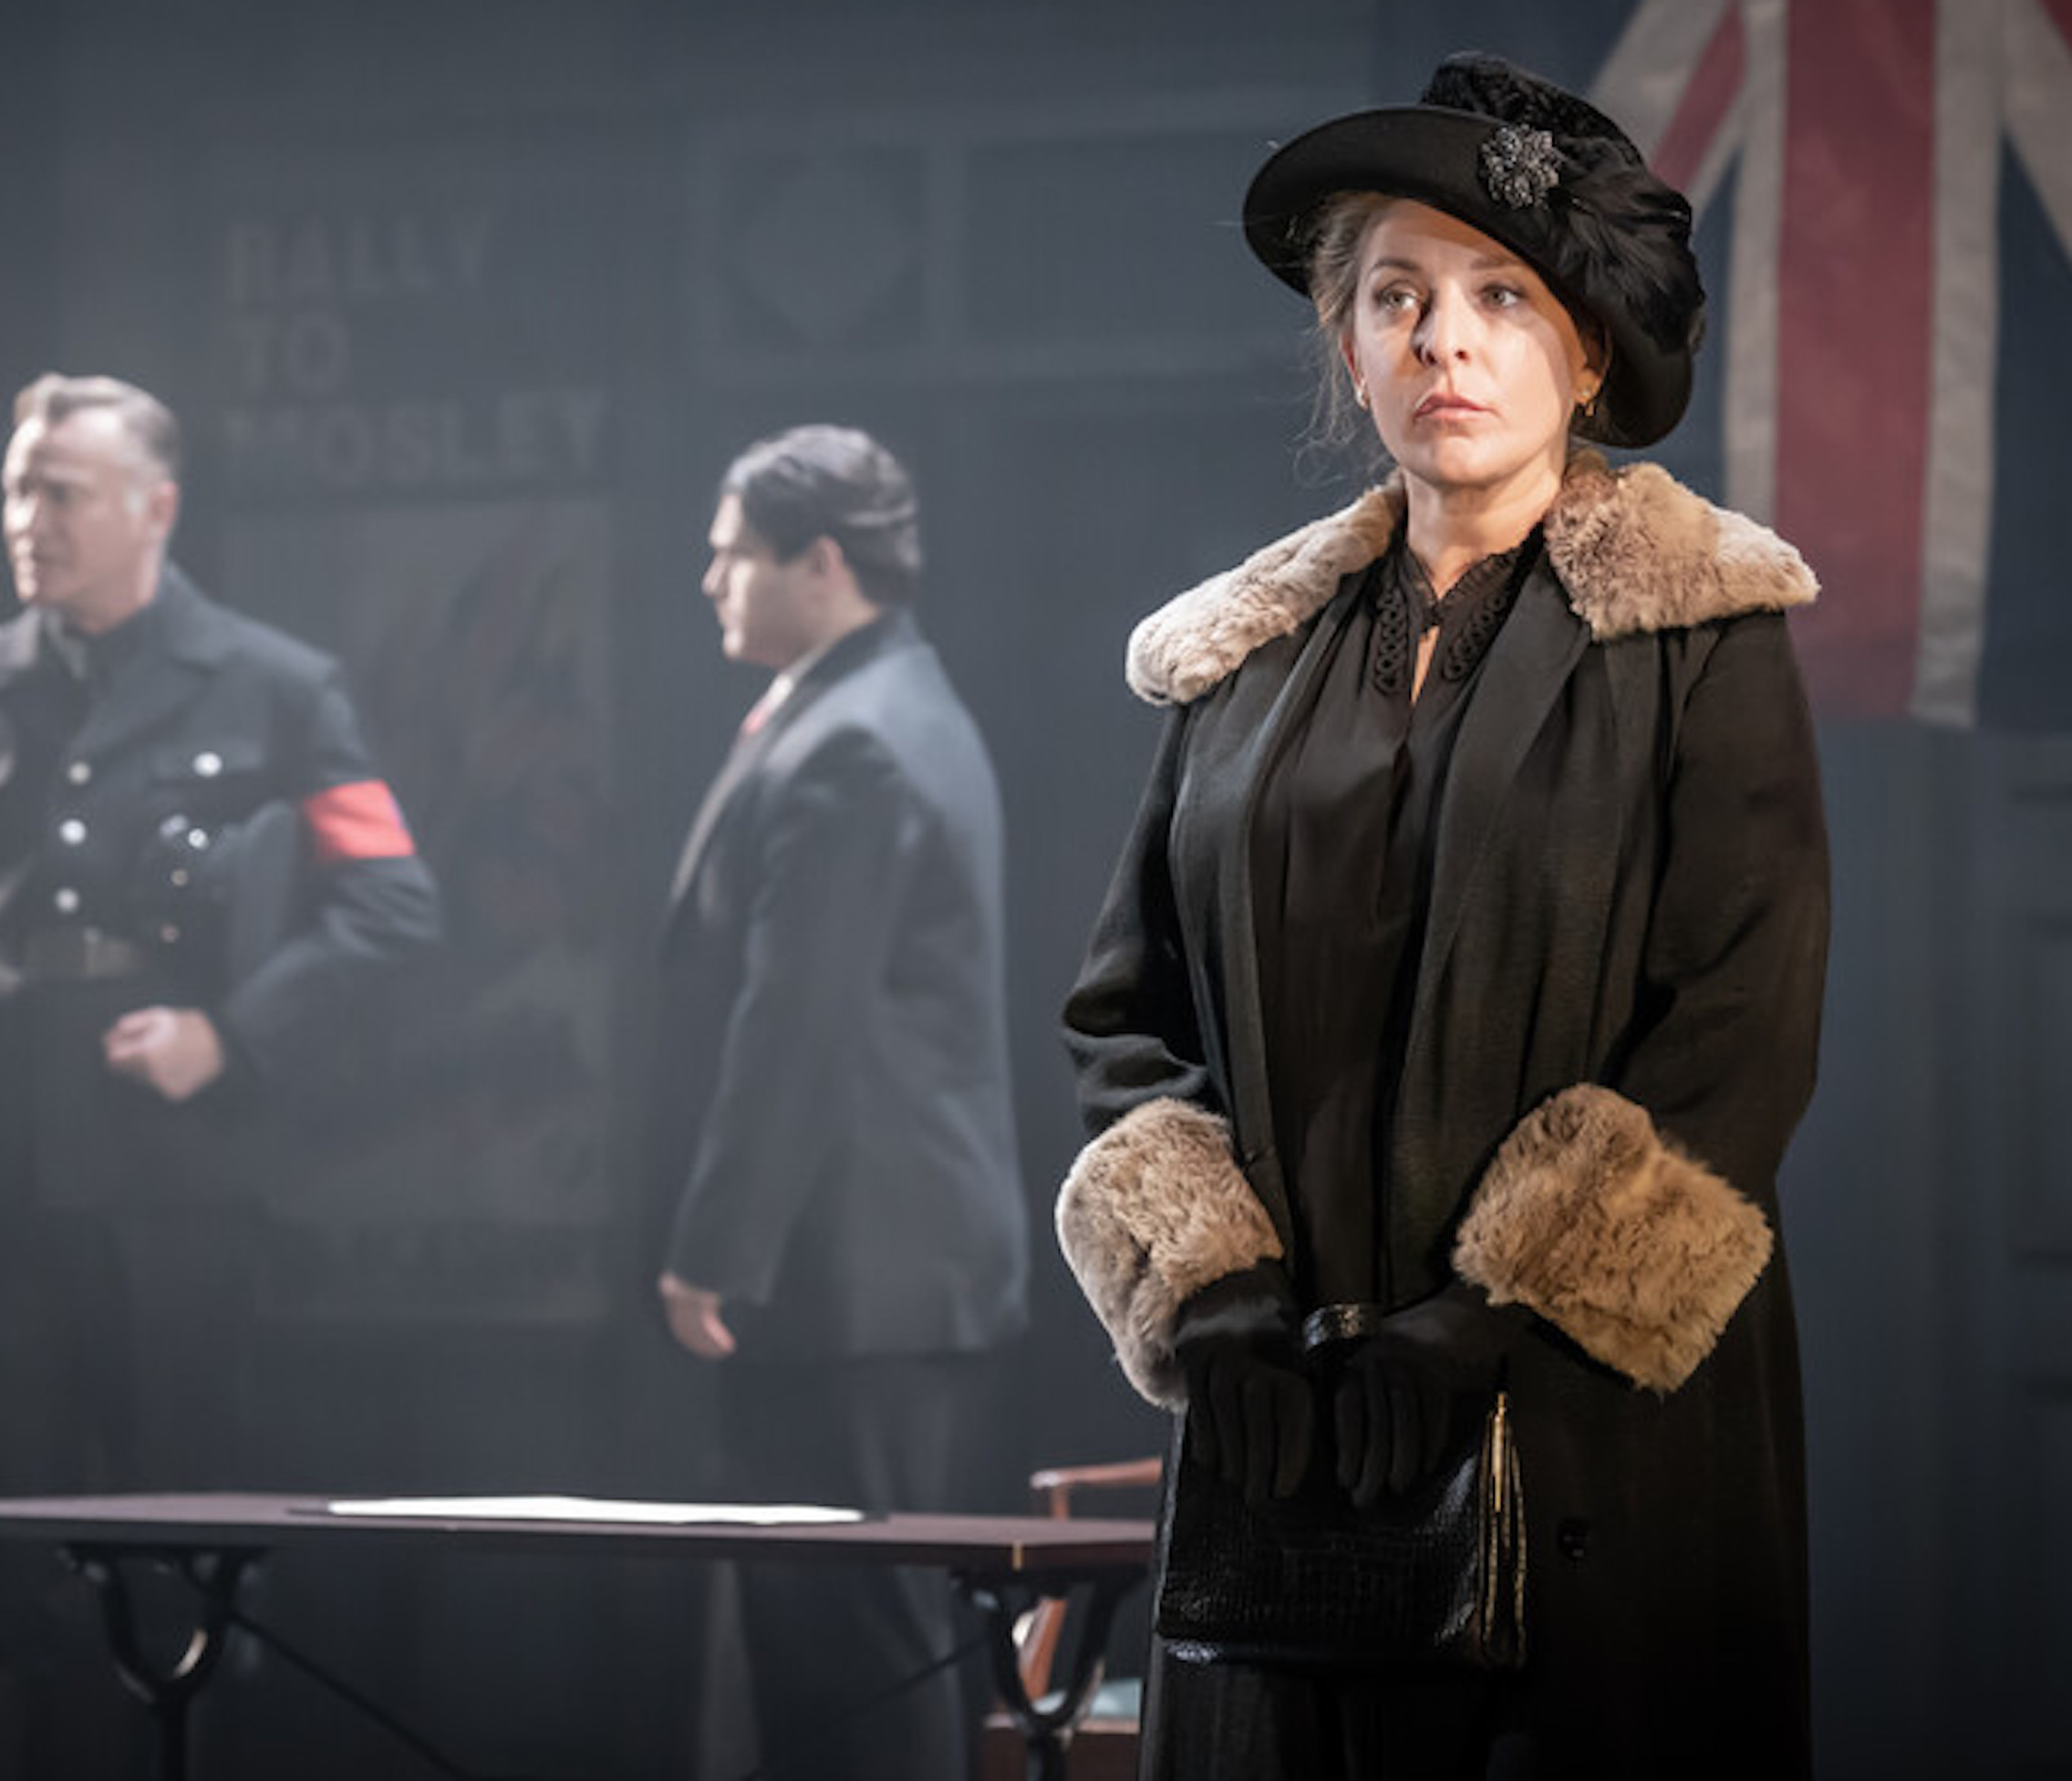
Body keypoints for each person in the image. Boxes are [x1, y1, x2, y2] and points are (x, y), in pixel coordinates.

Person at [1055, 54, 1829, 1780]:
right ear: (1351, 349)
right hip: (1293, 1450)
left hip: (1590, 1451)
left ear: (1585, 353)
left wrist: (1499, 1318)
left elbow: (1739, 1037)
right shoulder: (1240, 666)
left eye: (1499, 297)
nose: (1443, 340)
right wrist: (1214, 1298)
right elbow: (1128, 1018)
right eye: (1395, 297)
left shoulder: (1707, 637)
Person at [0, 372, 440, 1773]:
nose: (27, 518)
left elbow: (392, 901)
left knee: (185, 1543)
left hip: (173, 1175)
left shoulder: (281, 688)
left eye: (62, 492)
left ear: (155, 507)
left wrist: (231, 1032)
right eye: (15, 489)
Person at [654, 424, 1031, 1779]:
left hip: (849, 1278)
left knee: (854, 1648)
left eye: (730, 554)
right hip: (878, 1276)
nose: (708, 580)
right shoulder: (883, 702)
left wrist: (716, 1247)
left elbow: (795, 1024)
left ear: (821, 561)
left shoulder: (855, 740)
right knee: (844, 1637)